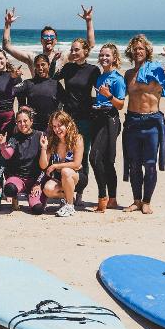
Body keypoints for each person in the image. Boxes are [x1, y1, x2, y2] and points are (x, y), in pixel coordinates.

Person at [122, 34, 165, 214]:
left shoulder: (157, 70)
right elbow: (119, 96)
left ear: (147, 51)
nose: (137, 52)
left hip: (152, 122)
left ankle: (147, 201)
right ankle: (136, 201)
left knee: (150, 164)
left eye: (141, 48)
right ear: (131, 52)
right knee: (134, 164)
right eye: (135, 49)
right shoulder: (128, 74)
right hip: (133, 121)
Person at [52, 36, 100, 206]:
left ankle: (79, 192)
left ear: (85, 51)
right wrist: (55, 61)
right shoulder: (68, 68)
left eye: (76, 49)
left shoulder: (93, 70)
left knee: (82, 156)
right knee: (64, 154)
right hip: (68, 118)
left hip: (86, 118)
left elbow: (100, 91)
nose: (73, 52)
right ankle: (66, 189)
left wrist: (97, 106)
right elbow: (53, 78)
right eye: (72, 49)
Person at [1, 5, 95, 77]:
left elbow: (89, 46)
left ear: (56, 41)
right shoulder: (33, 58)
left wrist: (89, 21)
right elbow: (6, 46)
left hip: (57, 101)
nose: (49, 39)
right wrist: (7, 25)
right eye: (46, 37)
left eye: (51, 37)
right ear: (41, 40)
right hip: (37, 99)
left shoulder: (63, 57)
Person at [89, 43, 126, 212]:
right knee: (106, 162)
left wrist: (108, 95)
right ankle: (112, 199)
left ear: (114, 58)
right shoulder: (100, 77)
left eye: (108, 55)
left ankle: (103, 196)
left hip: (110, 120)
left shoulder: (117, 78)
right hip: (98, 119)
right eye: (102, 55)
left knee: (95, 157)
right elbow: (98, 100)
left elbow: (120, 105)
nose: (104, 58)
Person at [0, 107, 45, 213]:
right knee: (9, 189)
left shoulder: (40, 136)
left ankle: (32, 197)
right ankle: (15, 196)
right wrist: (2, 145)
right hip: (18, 179)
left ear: (31, 121)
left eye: (25, 121)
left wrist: (38, 183)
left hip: (34, 180)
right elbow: (7, 155)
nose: (22, 124)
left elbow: (46, 164)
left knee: (38, 210)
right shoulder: (14, 138)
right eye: (19, 122)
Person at [39, 110, 87, 217]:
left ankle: (70, 206)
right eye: (54, 126)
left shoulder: (77, 139)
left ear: (68, 124)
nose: (57, 129)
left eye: (59, 125)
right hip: (59, 179)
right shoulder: (52, 141)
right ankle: (67, 197)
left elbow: (76, 164)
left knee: (66, 171)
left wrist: (56, 165)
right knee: (48, 189)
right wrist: (44, 148)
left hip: (77, 177)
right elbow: (43, 165)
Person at [13, 54, 65, 131]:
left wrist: (58, 113)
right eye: (37, 66)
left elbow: (64, 100)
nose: (40, 68)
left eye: (43, 65)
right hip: (32, 128)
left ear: (48, 65)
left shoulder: (55, 84)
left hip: (51, 127)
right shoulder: (28, 83)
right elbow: (11, 91)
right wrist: (13, 77)